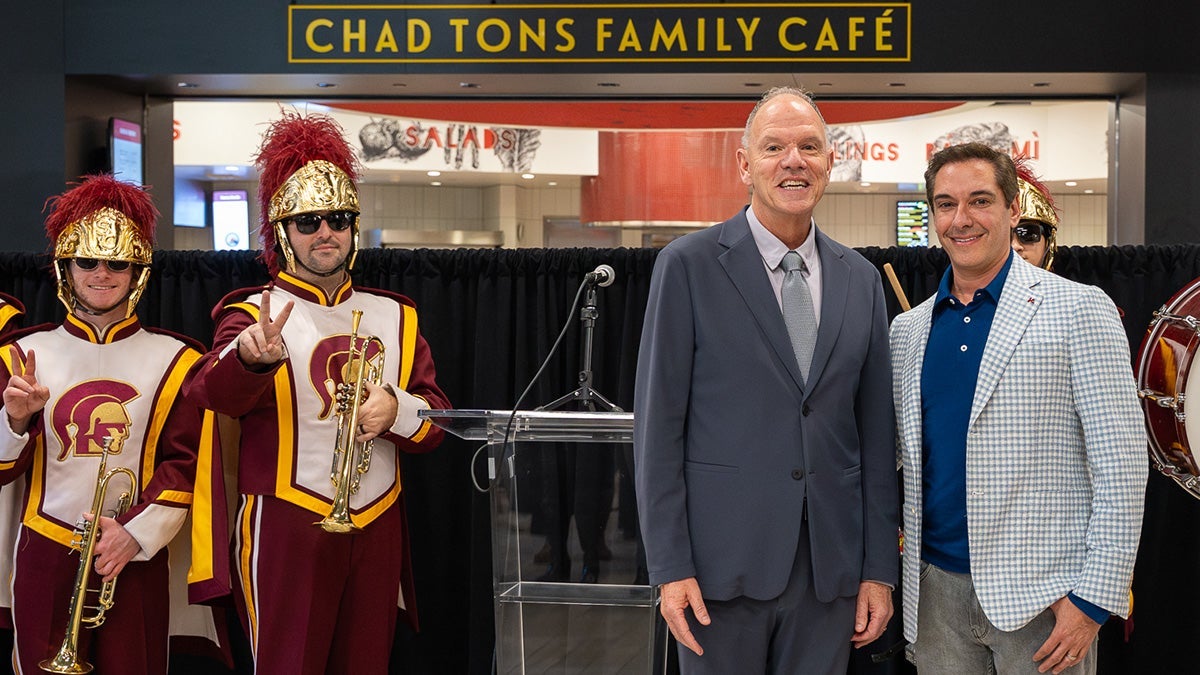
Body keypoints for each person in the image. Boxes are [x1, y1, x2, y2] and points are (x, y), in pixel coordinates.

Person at [633, 86, 897, 673]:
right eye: (774, 146)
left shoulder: (861, 280)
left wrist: (879, 569)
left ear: (831, 160)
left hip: (830, 577)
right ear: (744, 163)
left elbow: (876, 442)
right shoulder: (687, 266)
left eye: (809, 146)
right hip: (717, 575)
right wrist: (670, 568)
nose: (793, 160)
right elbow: (657, 435)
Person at [183, 110, 450, 675]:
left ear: (353, 227)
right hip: (285, 522)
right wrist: (251, 360)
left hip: (377, 522)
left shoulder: (396, 316)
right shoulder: (248, 312)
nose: (324, 232)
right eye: (307, 222)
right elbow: (212, 392)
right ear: (284, 233)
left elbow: (439, 420)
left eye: (336, 219)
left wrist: (398, 411)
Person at [890, 142, 1145, 674]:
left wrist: (1093, 601)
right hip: (935, 599)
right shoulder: (907, 332)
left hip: (1046, 603)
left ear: (1012, 210)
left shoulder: (1079, 309)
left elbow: (1122, 467)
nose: (962, 219)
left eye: (980, 201)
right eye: (945, 203)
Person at [0, 174, 228, 674]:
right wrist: (15, 419)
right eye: (87, 261)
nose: (102, 273)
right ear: (66, 268)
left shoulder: (179, 359)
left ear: (137, 272)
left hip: (135, 554)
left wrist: (138, 534)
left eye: (117, 262)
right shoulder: (18, 353)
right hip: (44, 547)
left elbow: (185, 464)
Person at [1011, 158, 1060, 270]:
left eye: (1028, 234)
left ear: (1049, 241)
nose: (1015, 246)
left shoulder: (1068, 288)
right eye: (1003, 236)